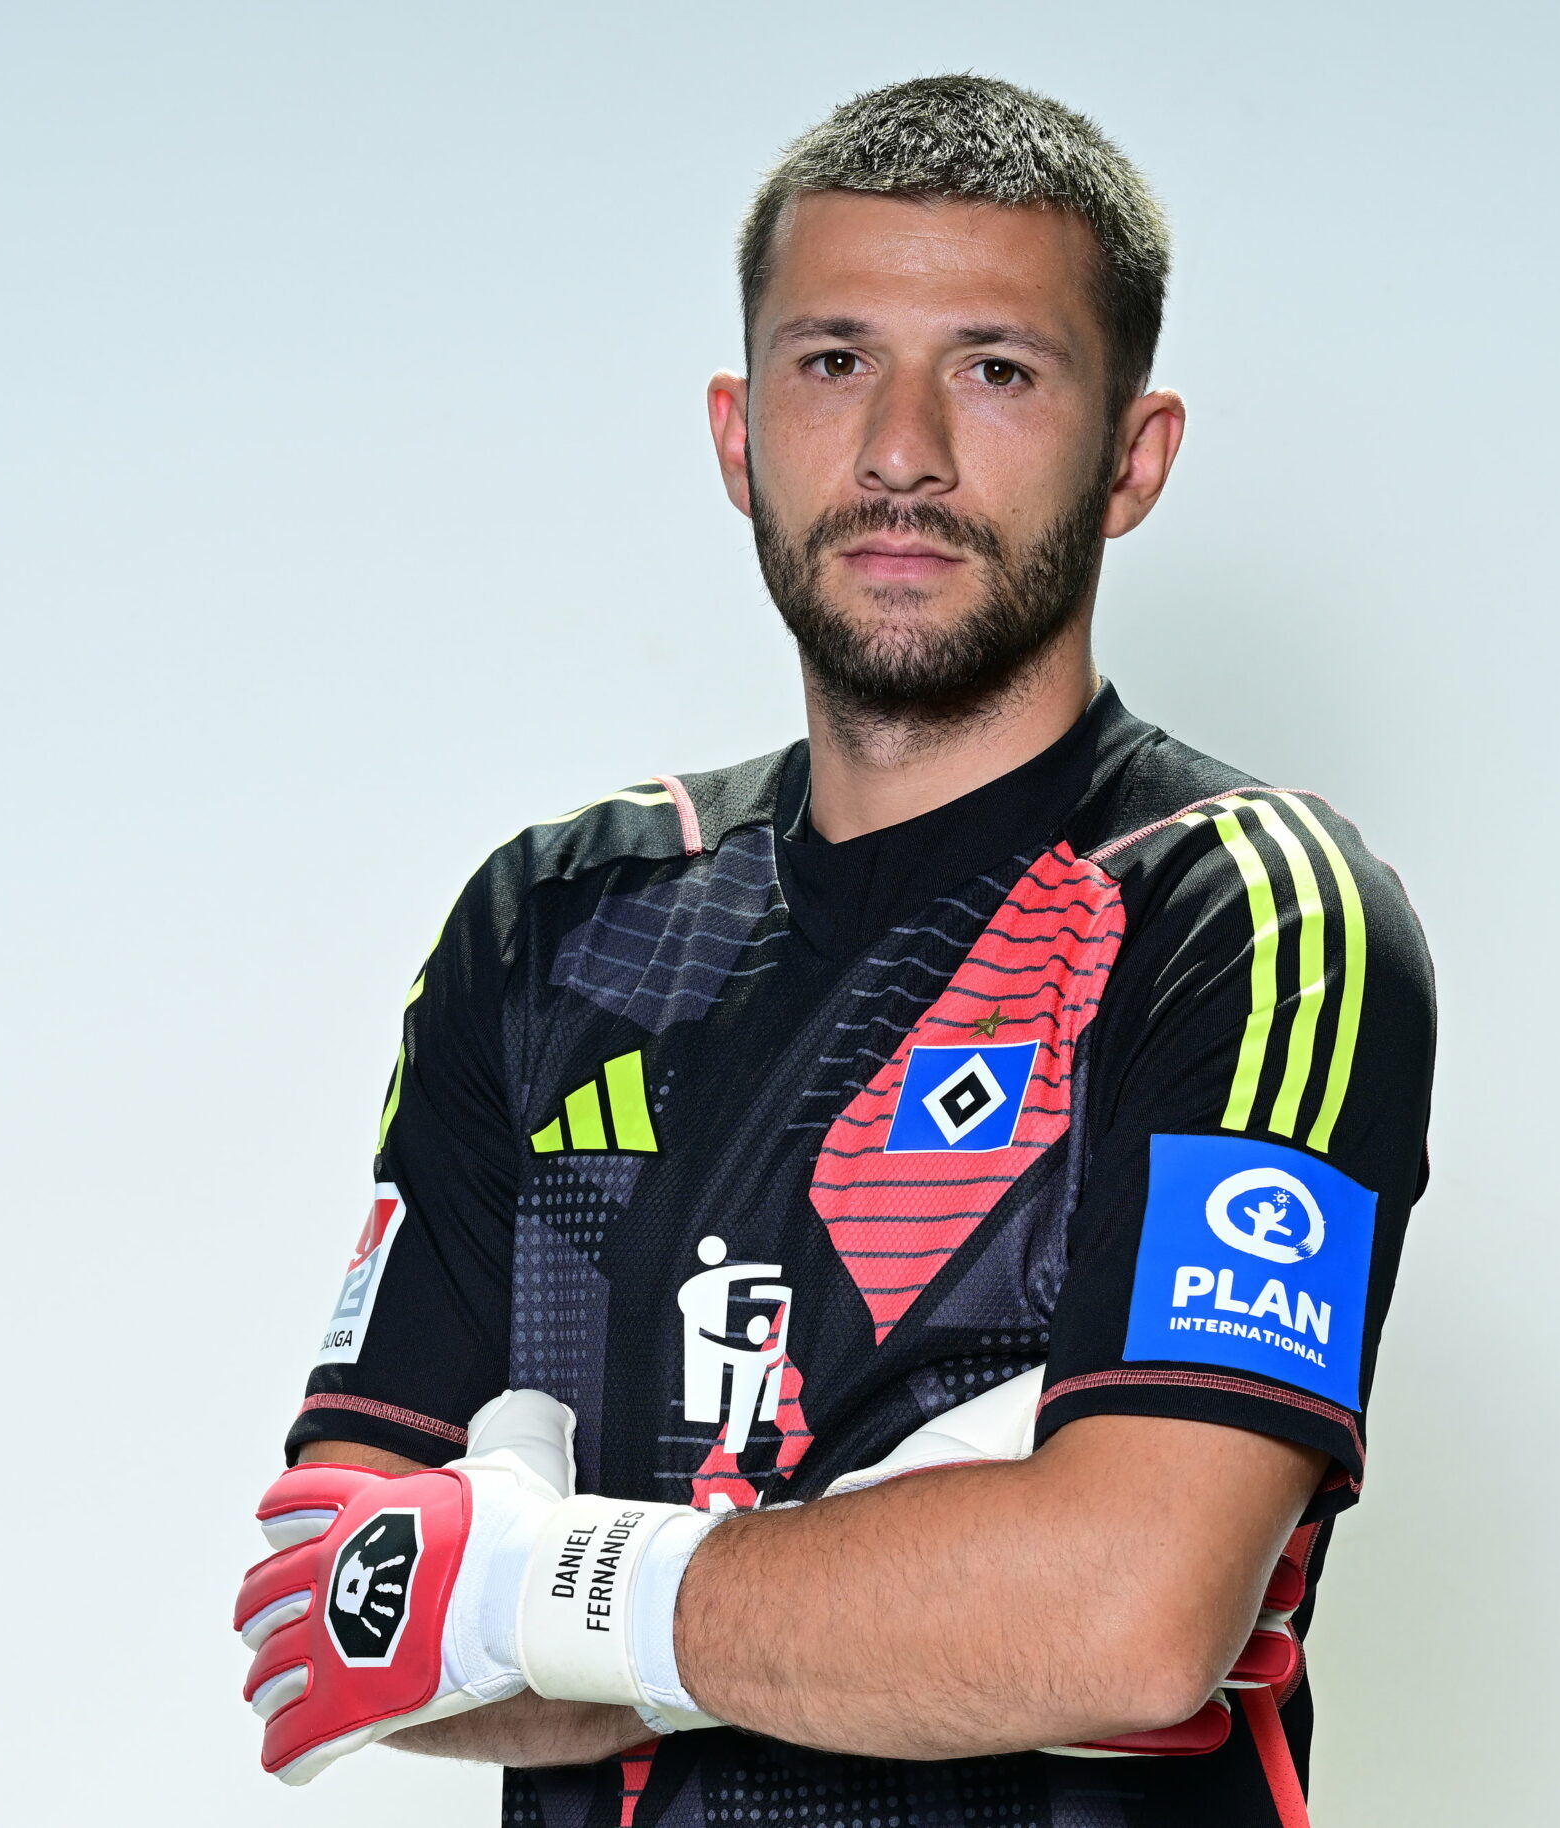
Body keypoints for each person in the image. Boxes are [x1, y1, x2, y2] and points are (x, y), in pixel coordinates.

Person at [233, 73, 1435, 1828]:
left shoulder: (1243, 910)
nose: (902, 450)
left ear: (1136, 457)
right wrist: (913, 1579)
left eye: (998, 369)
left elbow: (1125, 1617)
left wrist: (538, 1590)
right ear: (736, 432)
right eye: (834, 359)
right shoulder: (557, 921)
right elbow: (328, 1616)